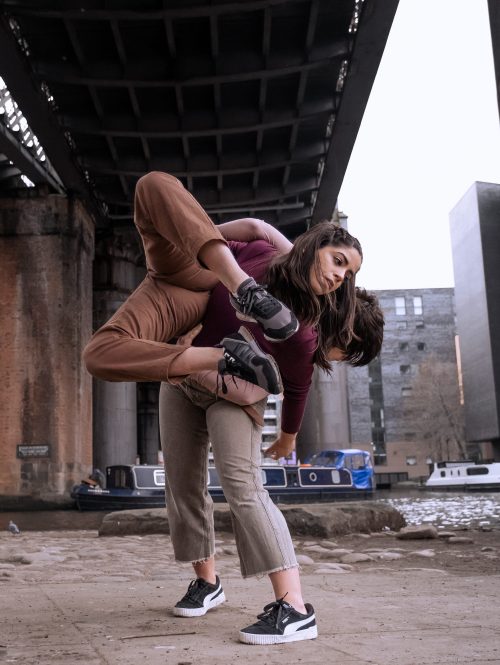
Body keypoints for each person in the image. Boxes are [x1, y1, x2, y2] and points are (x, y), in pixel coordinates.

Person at [160, 290, 384, 644]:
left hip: (236, 394)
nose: (340, 359)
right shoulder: (279, 287)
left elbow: (298, 389)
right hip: (183, 377)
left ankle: (294, 607)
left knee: (243, 486)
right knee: (181, 481)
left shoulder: (304, 344)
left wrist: (287, 438)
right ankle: (207, 584)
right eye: (348, 352)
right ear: (345, 331)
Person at [83, 171, 363, 417]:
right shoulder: (286, 255)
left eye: (348, 275)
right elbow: (256, 228)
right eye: (338, 262)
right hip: (190, 269)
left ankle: (226, 356)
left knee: (97, 355)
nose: (341, 276)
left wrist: (195, 356)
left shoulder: (305, 326)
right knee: (153, 184)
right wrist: (189, 233)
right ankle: (244, 289)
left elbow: (295, 387)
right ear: (316, 248)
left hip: (198, 291)